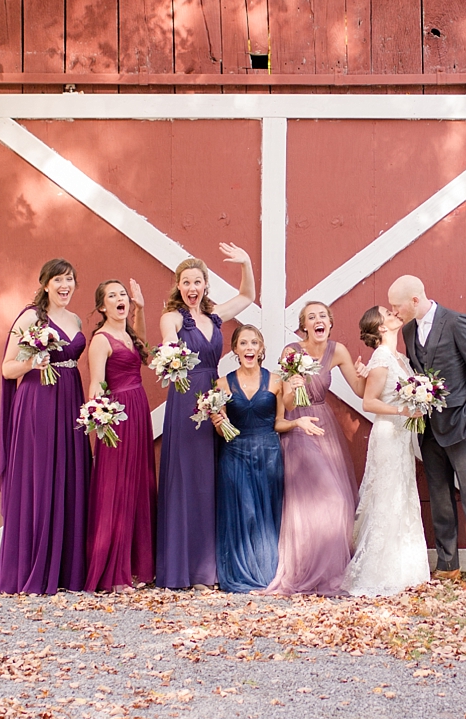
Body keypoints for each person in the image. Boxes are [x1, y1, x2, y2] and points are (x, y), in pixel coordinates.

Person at [153, 244, 254, 590]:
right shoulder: (175, 316)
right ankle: (182, 567)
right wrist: (171, 349)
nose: (192, 288)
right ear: (178, 286)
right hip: (186, 399)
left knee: (210, 477)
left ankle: (207, 567)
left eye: (197, 282)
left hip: (214, 393)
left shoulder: (213, 317)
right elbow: (168, 336)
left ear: (205, 285)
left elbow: (247, 296)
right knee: (186, 477)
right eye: (186, 282)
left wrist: (246, 264)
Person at [388, 273, 466, 585]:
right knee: (440, 497)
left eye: (398, 307)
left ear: (415, 300)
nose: (394, 312)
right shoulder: (408, 331)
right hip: (428, 428)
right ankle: (448, 564)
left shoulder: (457, 322)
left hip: (460, 426)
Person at [0, 259, 90, 596]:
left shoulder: (75, 319)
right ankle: (31, 566)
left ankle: (63, 567)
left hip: (70, 399)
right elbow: (7, 369)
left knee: (67, 477)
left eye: (71, 279)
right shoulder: (32, 317)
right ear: (46, 283)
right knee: (40, 478)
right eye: (59, 279)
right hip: (39, 403)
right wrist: (34, 360)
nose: (66, 285)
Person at [265, 302, 358, 598]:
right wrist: (293, 386)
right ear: (303, 326)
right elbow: (288, 405)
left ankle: (330, 571)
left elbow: (359, 388)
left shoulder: (337, 350)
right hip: (299, 426)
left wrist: (372, 372)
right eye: (311, 317)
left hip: (324, 426)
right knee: (322, 498)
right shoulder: (292, 351)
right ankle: (308, 569)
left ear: (330, 323)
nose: (318, 321)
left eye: (323, 316)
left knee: (340, 501)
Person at [341, 306, 429, 598]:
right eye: (388, 312)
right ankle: (379, 569)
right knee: (388, 496)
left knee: (403, 495)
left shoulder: (399, 358)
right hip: (388, 435)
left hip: (402, 436)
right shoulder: (380, 357)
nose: (394, 313)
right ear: (381, 327)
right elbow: (369, 402)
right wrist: (402, 409)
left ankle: (407, 567)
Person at [84, 278, 155, 592]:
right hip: (118, 415)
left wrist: (140, 307)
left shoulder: (127, 333)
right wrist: (99, 416)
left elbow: (146, 351)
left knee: (138, 483)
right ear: (102, 306)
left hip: (139, 409)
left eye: (122, 294)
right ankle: (113, 573)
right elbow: (96, 382)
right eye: (111, 296)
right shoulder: (101, 340)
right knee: (117, 487)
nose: (118, 299)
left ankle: (137, 567)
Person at [213, 324, 284, 593]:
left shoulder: (276, 381)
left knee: (266, 515)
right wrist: (216, 420)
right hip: (235, 454)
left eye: (254, 343)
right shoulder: (222, 384)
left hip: (268, 454)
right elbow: (221, 429)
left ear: (261, 348)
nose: (249, 348)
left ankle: (268, 571)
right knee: (244, 512)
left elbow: (280, 421)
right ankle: (241, 571)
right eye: (243, 343)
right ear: (235, 349)